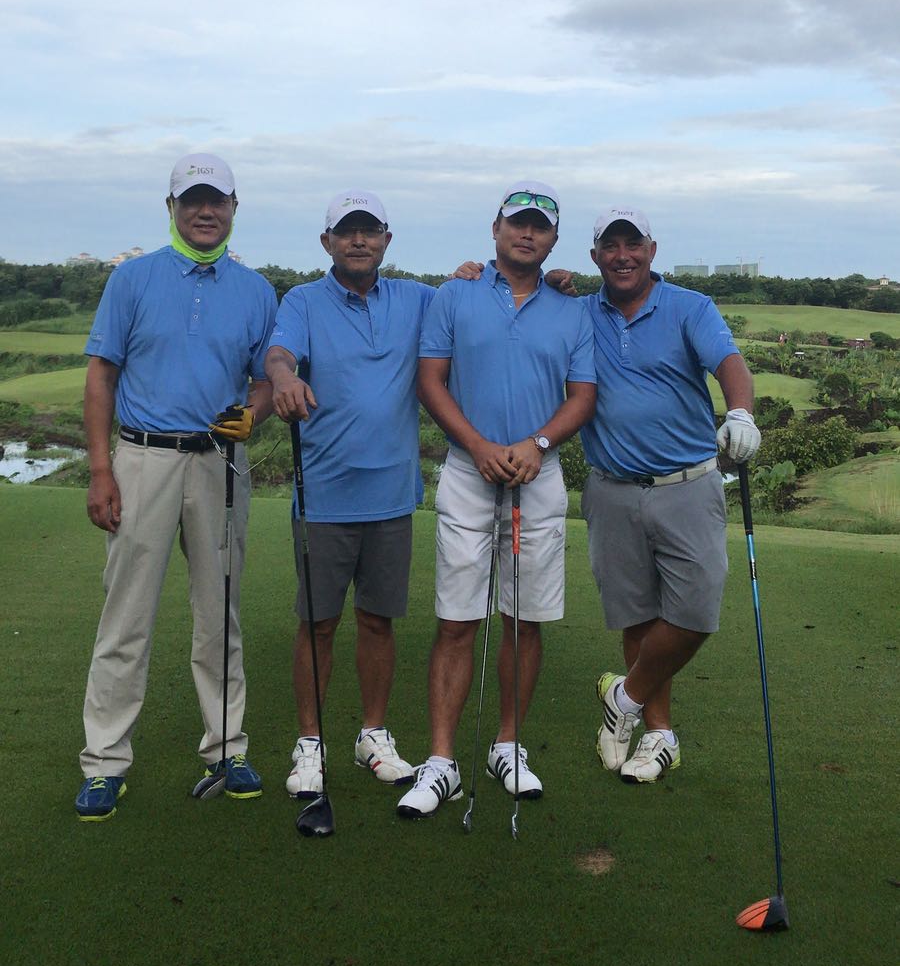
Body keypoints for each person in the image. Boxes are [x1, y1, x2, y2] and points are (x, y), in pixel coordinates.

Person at [76, 154, 276, 820]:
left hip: (220, 460)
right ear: (172, 208)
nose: (205, 211)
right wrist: (100, 470)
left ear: (234, 207)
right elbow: (102, 375)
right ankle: (105, 762)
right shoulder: (131, 279)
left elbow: (265, 380)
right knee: (126, 615)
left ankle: (227, 748)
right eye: (192, 200)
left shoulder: (255, 290)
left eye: (217, 200)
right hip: (142, 458)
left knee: (220, 613)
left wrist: (255, 412)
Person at [397, 184, 597, 818]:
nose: (527, 233)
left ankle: (507, 746)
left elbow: (583, 396)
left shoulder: (573, 310)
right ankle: (441, 762)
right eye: (517, 223)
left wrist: (538, 444)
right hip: (466, 470)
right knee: (457, 619)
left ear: (554, 240)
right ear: (495, 228)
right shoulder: (454, 294)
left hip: (539, 474)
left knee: (524, 618)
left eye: (539, 226)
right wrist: (479, 445)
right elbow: (431, 381)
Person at [579, 207, 761, 783]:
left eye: (633, 244)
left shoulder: (689, 306)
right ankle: (658, 736)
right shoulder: (580, 311)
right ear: (595, 256)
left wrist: (739, 412)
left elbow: (729, 363)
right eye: (611, 246)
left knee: (695, 613)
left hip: (687, 485)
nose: (623, 256)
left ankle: (624, 698)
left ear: (652, 250)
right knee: (637, 615)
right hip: (611, 488)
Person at [265, 190, 435, 798]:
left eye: (369, 231)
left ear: (387, 239)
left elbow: (474, 307)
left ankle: (373, 735)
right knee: (317, 623)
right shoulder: (303, 300)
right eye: (346, 231)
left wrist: (489, 273)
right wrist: (283, 376)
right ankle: (310, 742)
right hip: (324, 495)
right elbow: (279, 352)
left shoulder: (417, 298)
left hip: (391, 494)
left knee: (378, 621)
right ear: (327, 241)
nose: (358, 240)